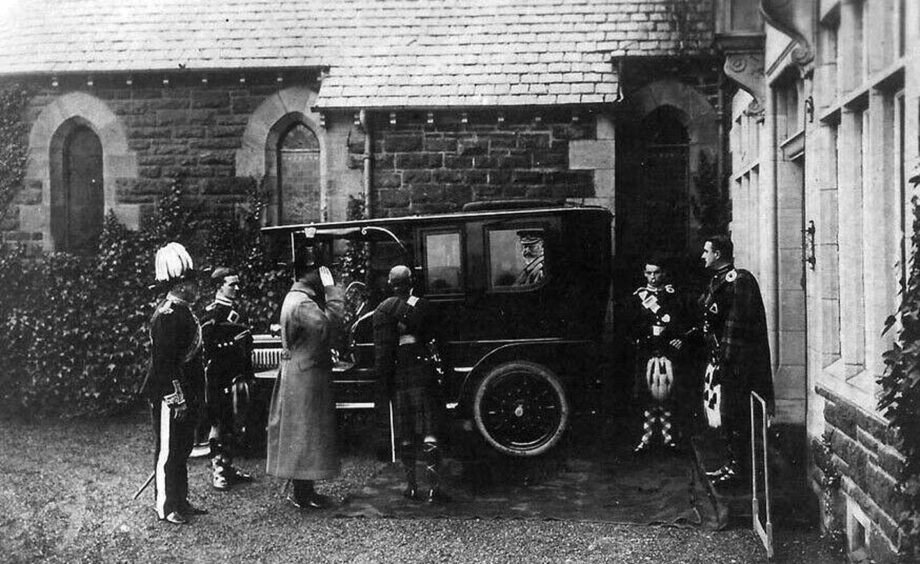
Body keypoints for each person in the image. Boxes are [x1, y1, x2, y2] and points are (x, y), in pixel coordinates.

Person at [265, 249, 345, 510]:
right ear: (311, 275)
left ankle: (304, 489)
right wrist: (333, 294)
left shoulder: (295, 298)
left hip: (300, 371)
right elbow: (328, 328)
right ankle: (302, 492)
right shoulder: (303, 303)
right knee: (305, 432)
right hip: (306, 374)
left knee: (302, 432)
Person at [698, 235, 774, 486]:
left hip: (737, 364)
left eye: (706, 251)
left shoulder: (740, 281)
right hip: (722, 360)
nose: (703, 256)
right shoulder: (718, 281)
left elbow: (736, 326)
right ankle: (730, 464)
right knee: (726, 414)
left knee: (737, 414)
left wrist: (725, 362)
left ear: (718, 254)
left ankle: (740, 470)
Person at [141, 242, 208, 525]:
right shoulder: (168, 315)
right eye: (192, 283)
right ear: (180, 286)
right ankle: (166, 507)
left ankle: (180, 500)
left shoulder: (182, 311)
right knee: (168, 451)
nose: (196, 288)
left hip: (187, 391)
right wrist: (176, 398)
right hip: (172, 394)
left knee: (182, 449)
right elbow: (164, 363)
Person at [374, 265, 450, 504]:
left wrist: (384, 383)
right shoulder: (425, 307)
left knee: (406, 433)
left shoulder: (382, 311)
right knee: (429, 431)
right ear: (411, 282)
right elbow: (437, 341)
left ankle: (411, 488)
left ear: (390, 284)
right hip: (424, 371)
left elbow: (383, 354)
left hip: (400, 375)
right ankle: (434, 490)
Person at [625, 256, 688, 453]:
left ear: (663, 273)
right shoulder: (638, 297)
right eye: (649, 273)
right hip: (647, 351)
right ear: (644, 274)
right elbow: (631, 326)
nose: (653, 277)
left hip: (669, 350)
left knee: (668, 395)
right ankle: (645, 438)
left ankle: (669, 438)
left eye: (657, 273)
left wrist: (679, 339)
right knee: (648, 396)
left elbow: (682, 322)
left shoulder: (673, 295)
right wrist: (638, 340)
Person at [200, 267, 254, 492]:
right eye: (232, 284)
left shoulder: (238, 312)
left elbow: (246, 346)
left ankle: (228, 467)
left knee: (234, 423)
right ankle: (218, 471)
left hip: (237, 375)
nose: (237, 288)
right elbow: (207, 350)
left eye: (238, 284)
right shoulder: (211, 315)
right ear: (218, 286)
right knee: (219, 423)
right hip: (218, 379)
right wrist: (232, 345)